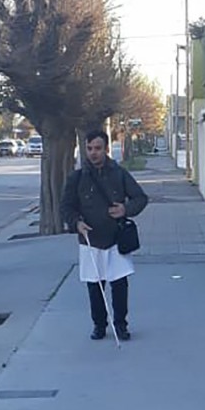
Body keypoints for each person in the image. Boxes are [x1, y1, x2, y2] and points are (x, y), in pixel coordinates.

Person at [61, 129, 148, 341]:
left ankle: (121, 325)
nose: (93, 153)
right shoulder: (77, 177)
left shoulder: (119, 174)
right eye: (89, 149)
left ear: (106, 149)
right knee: (95, 286)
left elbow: (140, 198)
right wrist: (76, 223)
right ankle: (99, 325)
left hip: (115, 239)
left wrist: (125, 210)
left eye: (98, 148)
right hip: (90, 240)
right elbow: (66, 206)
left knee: (119, 286)